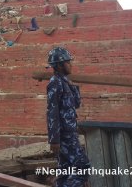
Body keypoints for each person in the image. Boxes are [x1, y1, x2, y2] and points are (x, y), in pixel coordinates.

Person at [46, 47, 90, 187]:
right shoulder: (55, 82)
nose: (71, 64)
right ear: (59, 65)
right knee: (83, 166)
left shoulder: (65, 82)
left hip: (70, 132)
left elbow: (76, 104)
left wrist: (73, 86)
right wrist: (54, 140)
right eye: (67, 62)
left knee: (65, 170)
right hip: (65, 135)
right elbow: (52, 111)